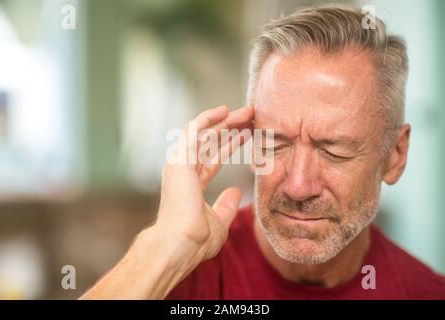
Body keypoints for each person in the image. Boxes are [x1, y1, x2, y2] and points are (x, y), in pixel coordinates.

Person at [81, 5, 445, 299]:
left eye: (333, 151)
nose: (299, 187)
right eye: (274, 144)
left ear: (394, 156)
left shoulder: (426, 292)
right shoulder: (175, 276)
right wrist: (165, 247)